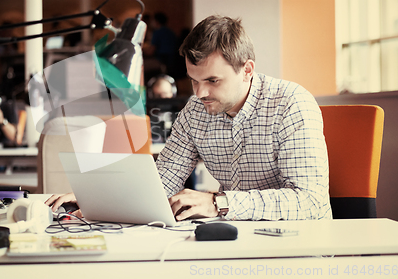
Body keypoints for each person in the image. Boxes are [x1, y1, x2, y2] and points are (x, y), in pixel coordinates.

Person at [45, 15, 331, 222]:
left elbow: (309, 201)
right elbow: (163, 180)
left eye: (212, 80)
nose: (200, 92)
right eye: (194, 80)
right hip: (237, 237)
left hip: (300, 245)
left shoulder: (291, 103)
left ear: (247, 70)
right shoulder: (195, 112)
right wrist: (98, 199)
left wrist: (219, 202)